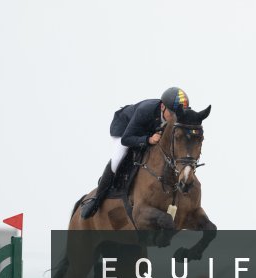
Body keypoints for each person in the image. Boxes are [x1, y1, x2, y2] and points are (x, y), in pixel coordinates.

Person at [80, 87, 190, 219]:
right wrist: (148, 140)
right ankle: (96, 200)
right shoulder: (146, 110)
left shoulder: (172, 117)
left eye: (178, 114)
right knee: (118, 158)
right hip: (124, 130)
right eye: (172, 113)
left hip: (146, 130)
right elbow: (126, 139)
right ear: (162, 107)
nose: (174, 117)